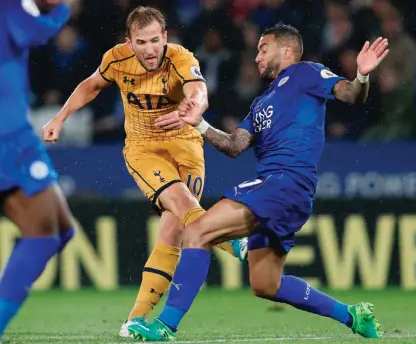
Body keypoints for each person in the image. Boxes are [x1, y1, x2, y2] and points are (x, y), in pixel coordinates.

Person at [128, 23, 389, 341]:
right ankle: (352, 316)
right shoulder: (261, 103)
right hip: (288, 195)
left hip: (283, 182)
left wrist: (361, 76)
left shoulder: (306, 74)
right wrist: (199, 124)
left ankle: (165, 326)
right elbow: (234, 146)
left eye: (264, 49)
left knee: (196, 231)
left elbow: (350, 94)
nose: (257, 57)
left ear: (287, 50)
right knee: (266, 284)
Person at [41, 6, 248, 338]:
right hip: (144, 149)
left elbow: (199, 89)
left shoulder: (180, 56)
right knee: (182, 205)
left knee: (172, 231)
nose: (150, 49)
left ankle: (135, 320)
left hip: (187, 145)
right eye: (142, 42)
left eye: (155, 40)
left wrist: (194, 108)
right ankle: (229, 238)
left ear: (165, 37)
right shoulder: (116, 59)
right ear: (130, 42)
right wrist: (60, 118)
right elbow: (91, 85)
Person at [0, 0, 75, 339]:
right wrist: (61, 10)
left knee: (60, 231)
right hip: (5, 139)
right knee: (43, 232)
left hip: (16, 136)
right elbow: (34, 32)